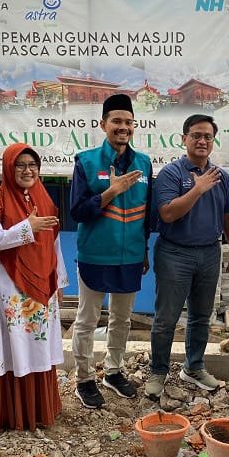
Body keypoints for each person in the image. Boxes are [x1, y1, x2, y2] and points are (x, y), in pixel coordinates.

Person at [0, 143, 68, 432]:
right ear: (8, 168)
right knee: (13, 347)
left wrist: (59, 280)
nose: (28, 171)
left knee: (37, 347)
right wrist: (25, 229)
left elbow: (53, 242)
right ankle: (10, 414)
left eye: (33, 165)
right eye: (20, 165)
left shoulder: (44, 198)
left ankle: (39, 410)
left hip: (42, 290)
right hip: (7, 289)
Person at [147, 114, 229, 398]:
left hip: (210, 252)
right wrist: (197, 189)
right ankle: (159, 371)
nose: (202, 141)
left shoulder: (221, 176)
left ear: (213, 141)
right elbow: (167, 212)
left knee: (202, 316)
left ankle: (194, 366)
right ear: (184, 138)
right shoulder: (171, 173)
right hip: (175, 252)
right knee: (166, 318)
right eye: (196, 135)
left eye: (208, 137)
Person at [70, 94, 152, 408]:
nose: (122, 127)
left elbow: (147, 211)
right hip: (95, 254)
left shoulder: (143, 163)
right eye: (116, 121)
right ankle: (84, 377)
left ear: (134, 126)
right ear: (103, 124)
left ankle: (114, 371)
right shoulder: (86, 161)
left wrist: (144, 249)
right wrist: (111, 192)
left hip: (130, 254)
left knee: (122, 319)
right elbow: (77, 211)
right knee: (87, 319)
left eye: (128, 122)